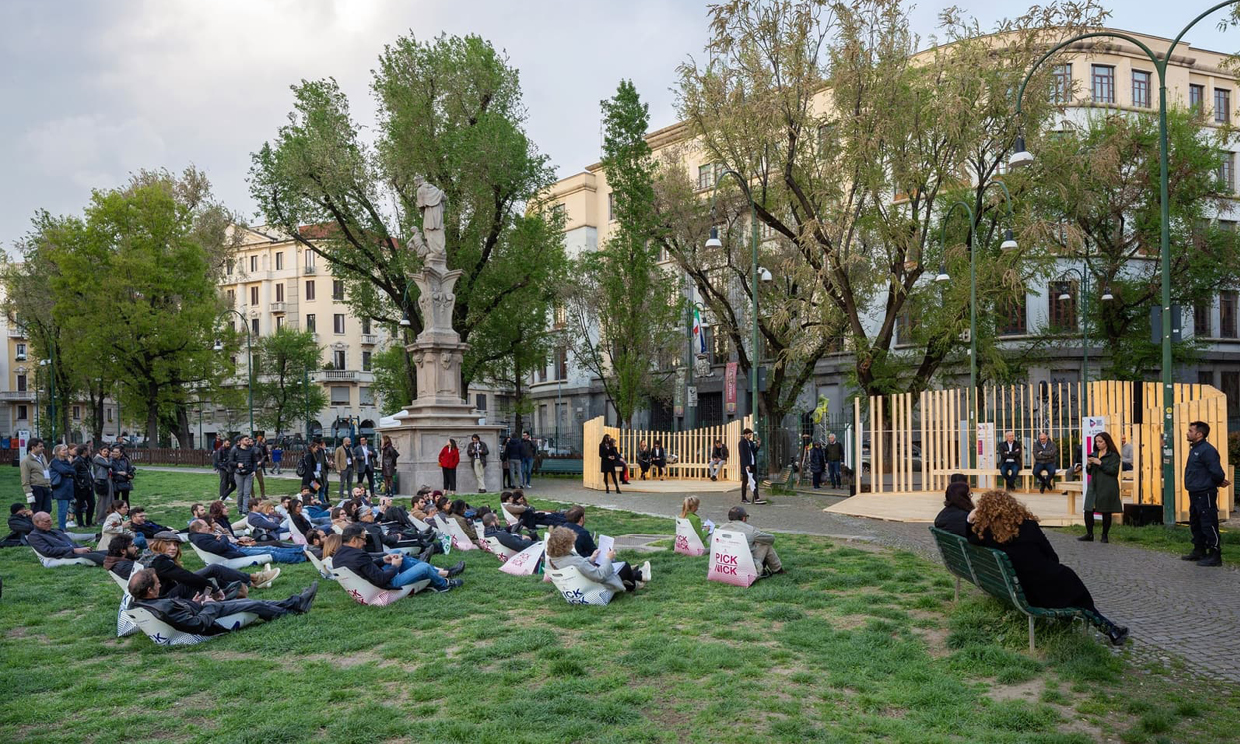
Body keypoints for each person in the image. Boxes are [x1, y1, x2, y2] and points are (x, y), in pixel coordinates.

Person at [967, 489, 1128, 645]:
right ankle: (1110, 630)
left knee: (1072, 594)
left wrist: (970, 519)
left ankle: (1104, 628)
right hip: (1049, 585)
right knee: (1080, 597)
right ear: (1012, 506)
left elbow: (969, 538)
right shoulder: (1029, 526)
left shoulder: (988, 536)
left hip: (1025, 592)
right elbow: (1053, 557)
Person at [127, 567, 317, 636]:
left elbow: (180, 612)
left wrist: (194, 603)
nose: (160, 585)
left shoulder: (145, 602)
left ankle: (296, 602)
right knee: (255, 605)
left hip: (200, 608)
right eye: (158, 584)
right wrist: (208, 604)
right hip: (210, 617)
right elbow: (198, 625)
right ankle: (294, 608)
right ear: (150, 590)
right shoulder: (162, 607)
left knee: (253, 602)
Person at [135, 532, 279, 595]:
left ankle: (250, 583)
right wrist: (213, 588)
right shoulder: (159, 562)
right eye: (168, 545)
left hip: (171, 590)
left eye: (175, 545)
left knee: (211, 573)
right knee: (213, 570)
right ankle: (254, 579)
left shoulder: (150, 556)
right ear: (159, 545)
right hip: (168, 596)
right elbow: (186, 577)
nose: (173, 548)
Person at [332, 524, 462, 593]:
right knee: (424, 567)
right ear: (354, 539)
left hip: (366, 584)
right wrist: (394, 566)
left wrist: (384, 560)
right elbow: (381, 579)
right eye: (363, 539)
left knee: (396, 552)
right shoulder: (359, 555)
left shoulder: (339, 555)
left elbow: (366, 567)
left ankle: (434, 574)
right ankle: (443, 585)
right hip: (382, 586)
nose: (365, 543)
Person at [545, 525, 649, 594]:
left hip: (576, 588)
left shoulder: (551, 560)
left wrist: (591, 559)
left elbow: (580, 566)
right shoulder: (576, 562)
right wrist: (608, 558)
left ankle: (638, 575)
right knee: (624, 566)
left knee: (612, 565)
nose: (573, 545)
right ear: (565, 546)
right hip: (594, 588)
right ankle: (636, 582)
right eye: (571, 543)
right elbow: (600, 576)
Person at [1182, 420, 1230, 567]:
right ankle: (1199, 549)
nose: (1187, 433)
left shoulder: (1207, 450)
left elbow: (1216, 471)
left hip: (1205, 492)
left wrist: (1218, 481)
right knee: (1196, 523)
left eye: (1190, 431)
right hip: (1195, 491)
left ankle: (1215, 554)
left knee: (1208, 522)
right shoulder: (1196, 448)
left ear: (1199, 434)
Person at [187, 519, 307, 564]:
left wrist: (221, 538)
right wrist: (223, 537)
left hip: (238, 548)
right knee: (272, 553)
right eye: (205, 526)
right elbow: (220, 548)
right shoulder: (201, 539)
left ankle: (301, 550)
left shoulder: (201, 536)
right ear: (198, 529)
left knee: (272, 548)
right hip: (237, 553)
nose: (208, 527)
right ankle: (302, 557)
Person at [1081, 432, 1122, 543]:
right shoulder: (1094, 454)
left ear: (1107, 442)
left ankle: (1105, 535)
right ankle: (1089, 534)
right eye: (1096, 442)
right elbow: (1089, 472)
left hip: (1107, 486)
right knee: (1088, 509)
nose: (1098, 444)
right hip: (1094, 485)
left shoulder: (1114, 456)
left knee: (1106, 510)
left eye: (1100, 441)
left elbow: (1113, 471)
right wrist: (1089, 465)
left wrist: (1100, 463)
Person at [720, 505, 783, 577]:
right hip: (744, 566)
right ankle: (778, 569)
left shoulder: (720, 529)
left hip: (726, 564)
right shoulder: (750, 530)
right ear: (744, 518)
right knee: (765, 544)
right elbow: (771, 539)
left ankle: (775, 569)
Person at [27, 511, 105, 565]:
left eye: (50, 520)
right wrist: (74, 550)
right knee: (98, 557)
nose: (50, 523)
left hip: (73, 552)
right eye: (47, 521)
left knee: (106, 552)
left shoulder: (54, 531)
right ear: (37, 523)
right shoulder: (34, 536)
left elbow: (70, 542)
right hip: (63, 556)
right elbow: (48, 551)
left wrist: (82, 548)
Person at [49, 444, 77, 530]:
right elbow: (64, 470)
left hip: (68, 487)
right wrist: (68, 471)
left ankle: (63, 526)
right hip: (60, 488)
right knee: (62, 509)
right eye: (63, 450)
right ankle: (62, 527)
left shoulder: (66, 461)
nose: (66, 451)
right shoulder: (55, 462)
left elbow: (73, 471)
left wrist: (68, 471)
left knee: (66, 508)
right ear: (58, 452)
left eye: (66, 450)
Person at [20, 437, 51, 515]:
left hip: (46, 486)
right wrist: (28, 493)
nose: (43, 448)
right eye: (40, 446)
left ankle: (44, 526)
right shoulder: (26, 461)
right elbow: (25, 478)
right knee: (37, 510)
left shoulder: (42, 457)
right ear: (33, 447)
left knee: (47, 509)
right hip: (36, 488)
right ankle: (36, 526)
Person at [231, 435, 260, 513]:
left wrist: (254, 470)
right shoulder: (234, 450)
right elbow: (230, 462)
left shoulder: (251, 450)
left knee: (247, 493)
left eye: (248, 440)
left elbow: (254, 461)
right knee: (240, 492)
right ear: (240, 441)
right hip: (238, 474)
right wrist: (237, 464)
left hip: (249, 474)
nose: (248, 441)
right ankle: (239, 509)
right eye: (246, 440)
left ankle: (245, 510)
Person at [71, 444, 96, 528]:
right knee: (79, 505)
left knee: (92, 503)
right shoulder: (77, 460)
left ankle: (89, 522)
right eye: (88, 449)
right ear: (84, 451)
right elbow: (73, 473)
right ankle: (80, 523)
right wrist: (79, 484)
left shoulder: (88, 460)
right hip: (81, 486)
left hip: (89, 485)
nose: (90, 451)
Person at [739, 429, 764, 505]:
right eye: (749, 435)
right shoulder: (741, 443)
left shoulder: (750, 442)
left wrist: (758, 445)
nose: (750, 436)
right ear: (745, 434)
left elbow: (754, 452)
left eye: (751, 435)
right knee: (745, 482)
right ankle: (743, 498)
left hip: (752, 465)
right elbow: (742, 455)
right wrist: (746, 465)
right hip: (746, 466)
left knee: (755, 481)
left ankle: (757, 498)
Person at [93, 444, 116, 522]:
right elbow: (108, 465)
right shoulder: (98, 458)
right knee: (102, 501)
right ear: (100, 451)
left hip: (107, 479)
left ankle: (108, 517)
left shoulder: (106, 458)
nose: (106, 453)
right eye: (104, 451)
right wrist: (111, 458)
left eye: (107, 451)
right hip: (101, 481)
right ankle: (100, 518)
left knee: (109, 499)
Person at [300, 438, 328, 504]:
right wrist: (313, 478)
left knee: (318, 488)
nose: (317, 449)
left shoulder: (313, 455)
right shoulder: (309, 455)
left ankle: (319, 501)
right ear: (312, 448)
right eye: (315, 448)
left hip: (314, 476)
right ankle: (310, 502)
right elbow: (309, 468)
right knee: (312, 490)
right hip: (310, 478)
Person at [253, 434, 269, 499]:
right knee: (251, 483)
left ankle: (263, 495)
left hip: (258, 466)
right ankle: (253, 496)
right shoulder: (248, 450)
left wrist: (260, 461)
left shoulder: (258, 448)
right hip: (251, 468)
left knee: (261, 481)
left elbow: (262, 456)